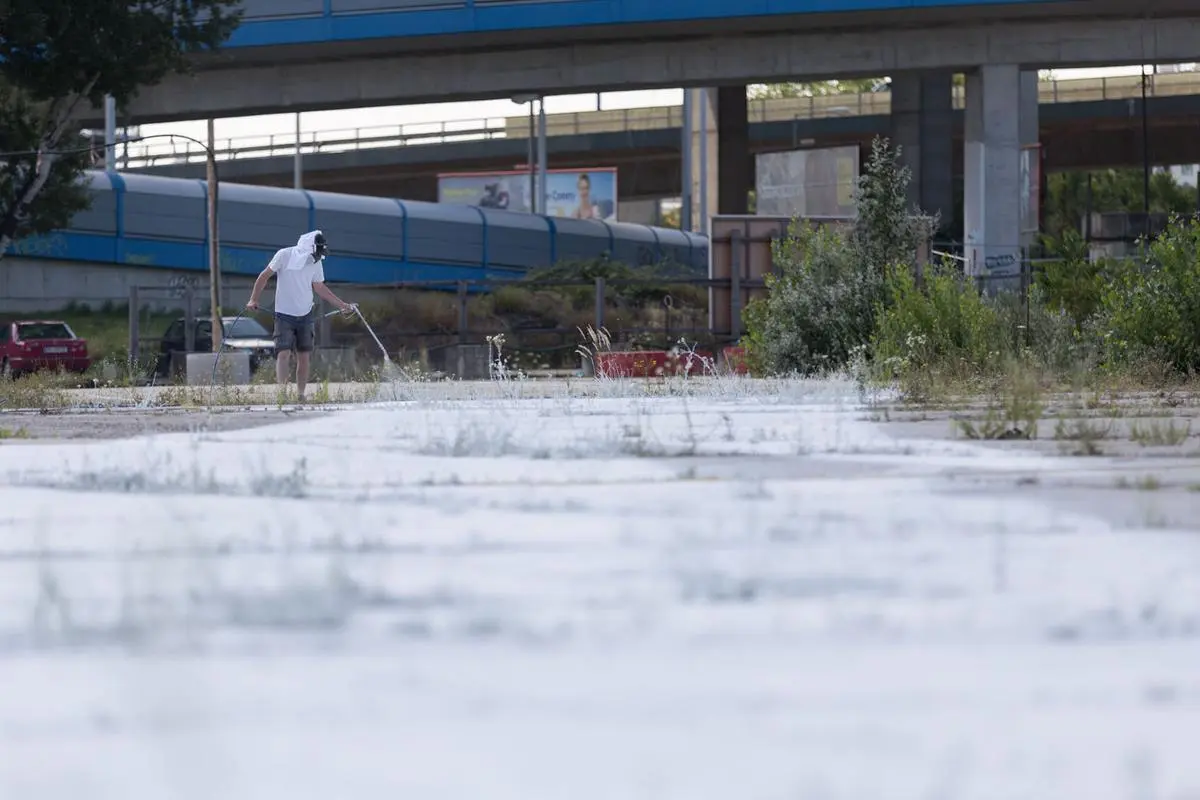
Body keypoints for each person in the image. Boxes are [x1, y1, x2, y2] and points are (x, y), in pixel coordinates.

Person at [246, 230, 354, 401]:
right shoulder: (284, 255)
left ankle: (300, 395)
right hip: (283, 314)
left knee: (304, 356)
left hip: (305, 315)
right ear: (308, 247)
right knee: (283, 354)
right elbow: (264, 275)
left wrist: (342, 305)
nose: (319, 256)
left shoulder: (316, 263)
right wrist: (253, 299)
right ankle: (282, 394)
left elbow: (320, 288)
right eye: (317, 251)